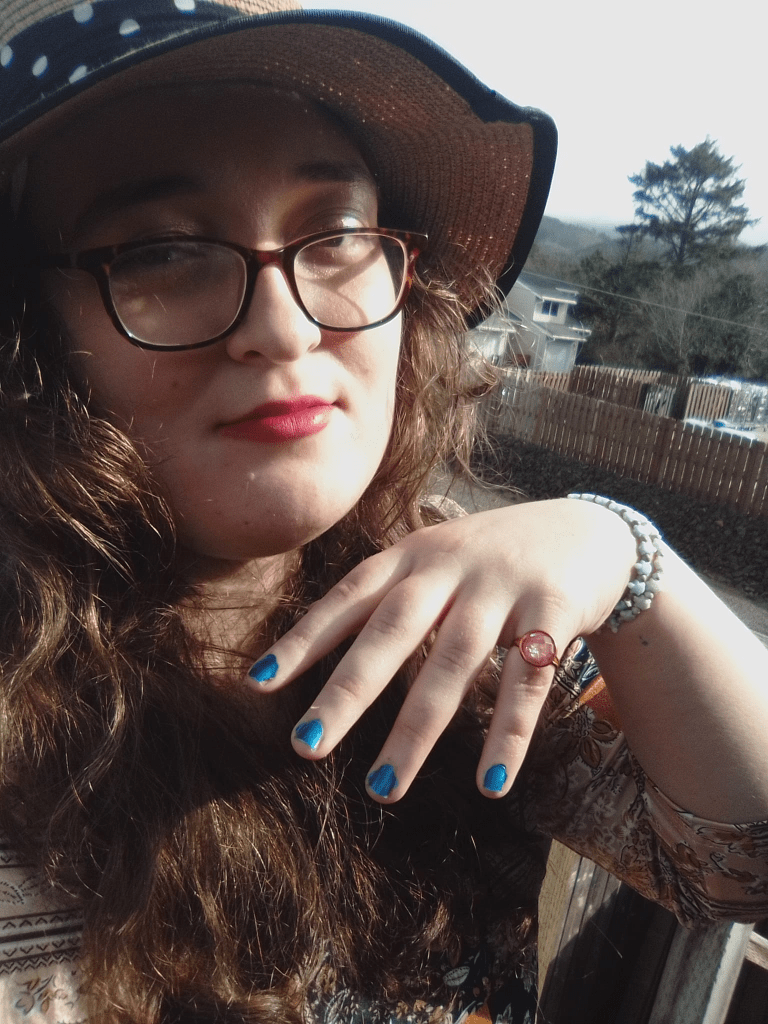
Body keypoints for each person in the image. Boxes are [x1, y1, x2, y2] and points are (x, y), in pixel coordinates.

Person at [0, 2, 766, 1021]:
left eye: (339, 235)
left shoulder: (456, 624)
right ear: (24, 325)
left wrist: (626, 558)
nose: (285, 328)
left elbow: (742, 867)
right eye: (162, 250)